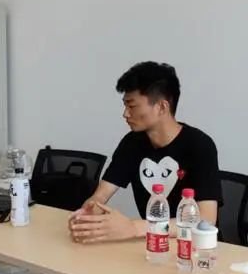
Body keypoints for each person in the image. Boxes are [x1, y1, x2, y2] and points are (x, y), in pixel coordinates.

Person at [69, 62, 221, 243]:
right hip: (152, 245)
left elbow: (206, 219)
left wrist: (134, 228)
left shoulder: (200, 145)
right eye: (125, 105)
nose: (125, 114)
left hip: (197, 247)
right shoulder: (132, 143)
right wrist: (89, 212)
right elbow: (102, 194)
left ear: (162, 107)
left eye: (132, 106)